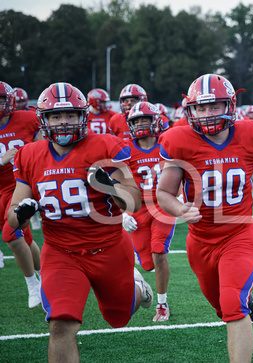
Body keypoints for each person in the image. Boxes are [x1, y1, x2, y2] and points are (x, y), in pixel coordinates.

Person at [156, 73, 253, 363]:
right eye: (201, 108)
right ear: (191, 110)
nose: (207, 114)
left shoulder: (250, 134)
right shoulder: (179, 140)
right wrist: (180, 209)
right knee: (223, 308)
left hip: (240, 234)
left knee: (232, 305)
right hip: (200, 242)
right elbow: (163, 193)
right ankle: (245, 299)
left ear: (230, 106)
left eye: (215, 106)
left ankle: (241, 303)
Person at [7, 82, 152, 362]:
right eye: (56, 116)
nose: (63, 122)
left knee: (118, 318)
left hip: (109, 247)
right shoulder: (29, 154)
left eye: (70, 115)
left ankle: (138, 288)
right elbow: (13, 218)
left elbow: (134, 201)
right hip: (61, 252)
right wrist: (22, 213)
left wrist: (110, 186)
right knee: (61, 324)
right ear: (44, 120)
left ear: (82, 116)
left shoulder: (106, 145)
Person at [123, 101, 176, 322]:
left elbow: (180, 170)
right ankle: (144, 286)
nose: (141, 124)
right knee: (147, 263)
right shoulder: (125, 149)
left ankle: (162, 304)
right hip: (139, 208)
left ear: (156, 120)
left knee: (159, 253)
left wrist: (179, 196)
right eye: (136, 121)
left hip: (163, 205)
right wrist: (123, 214)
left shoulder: (168, 144)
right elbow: (119, 184)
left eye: (145, 119)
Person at [0, 81, 43, 307]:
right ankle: (45, 277)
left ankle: (33, 284)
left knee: (11, 235)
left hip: (20, 185)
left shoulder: (27, 118)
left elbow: (43, 148)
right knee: (24, 237)